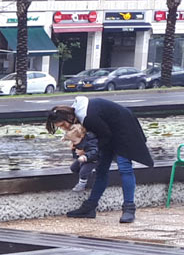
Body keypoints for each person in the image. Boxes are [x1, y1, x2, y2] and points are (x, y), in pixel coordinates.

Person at [45, 96, 154, 224]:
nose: (64, 128)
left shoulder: (88, 117)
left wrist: (86, 151)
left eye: (63, 125)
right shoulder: (79, 115)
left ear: (69, 117)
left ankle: (129, 209)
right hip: (107, 132)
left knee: (125, 168)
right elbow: (99, 136)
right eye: (60, 127)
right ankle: (90, 208)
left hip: (125, 130)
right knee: (101, 169)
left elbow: (104, 136)